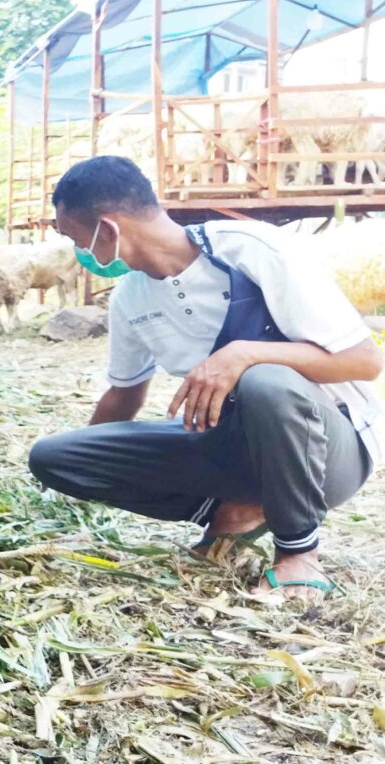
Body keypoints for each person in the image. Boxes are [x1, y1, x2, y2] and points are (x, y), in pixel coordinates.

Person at [27, 156, 382, 601]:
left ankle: (298, 551)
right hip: (232, 448)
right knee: (53, 455)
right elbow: (124, 394)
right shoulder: (130, 298)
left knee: (264, 380)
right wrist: (87, 461)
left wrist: (244, 354)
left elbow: (364, 361)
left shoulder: (252, 249)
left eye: (76, 238)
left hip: (327, 453)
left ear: (109, 230)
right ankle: (236, 510)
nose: (79, 253)